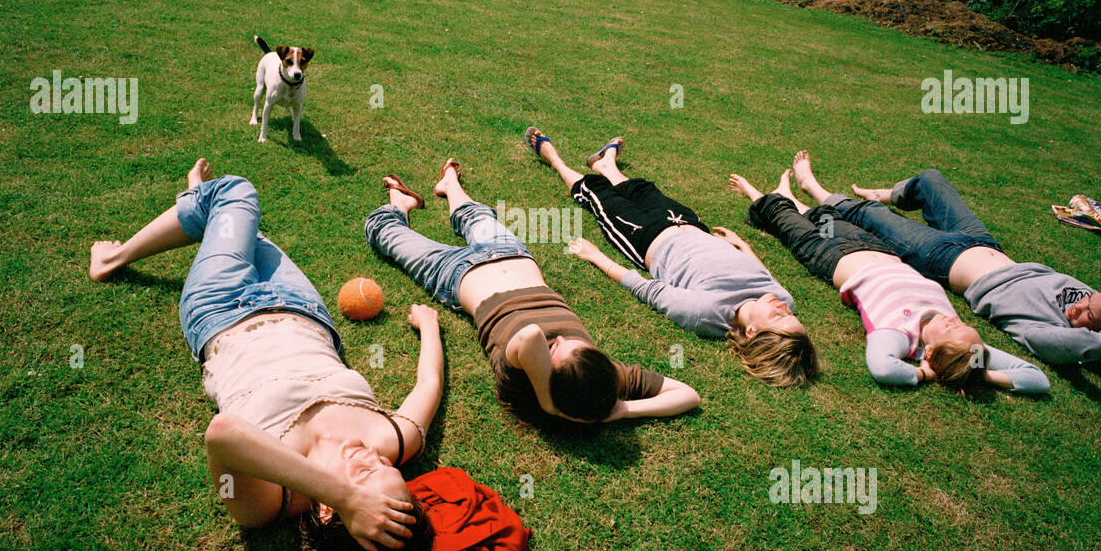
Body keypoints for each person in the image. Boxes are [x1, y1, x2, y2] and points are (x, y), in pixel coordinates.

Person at [89, 158, 442, 551]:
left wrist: (344, 493)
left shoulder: (269, 503)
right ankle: (199, 205)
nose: (376, 458)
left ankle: (116, 256)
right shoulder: (392, 442)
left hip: (221, 310)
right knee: (239, 223)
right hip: (301, 306)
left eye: (367, 475)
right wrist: (430, 328)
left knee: (237, 194)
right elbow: (429, 384)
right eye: (392, 469)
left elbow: (222, 435)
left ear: (332, 510)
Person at [364, 157, 701, 426]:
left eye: (558, 349)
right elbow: (687, 394)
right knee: (475, 214)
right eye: (579, 346)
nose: (565, 339)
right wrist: (624, 410)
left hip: (453, 273)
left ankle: (403, 202)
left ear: (549, 379)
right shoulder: (599, 375)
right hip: (512, 253)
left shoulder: (522, 378)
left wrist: (548, 403)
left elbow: (529, 335)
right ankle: (450, 186)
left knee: (382, 231)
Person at [730, 154, 1050, 395]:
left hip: (829, 257)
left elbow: (883, 368)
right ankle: (788, 190)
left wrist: (928, 373)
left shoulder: (900, 337)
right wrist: (978, 371)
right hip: (875, 249)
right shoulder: (967, 350)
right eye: (963, 326)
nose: (958, 321)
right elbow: (1036, 378)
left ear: (933, 353)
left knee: (786, 220)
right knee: (824, 216)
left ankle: (755, 193)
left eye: (953, 329)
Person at [523, 128, 817, 387]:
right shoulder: (783, 298)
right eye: (791, 315)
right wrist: (743, 247)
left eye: (779, 317)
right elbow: (762, 272)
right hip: (687, 223)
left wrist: (596, 256)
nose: (783, 307)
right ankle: (606, 164)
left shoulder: (704, 312)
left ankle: (553, 157)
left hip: (645, 238)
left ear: (751, 332)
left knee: (599, 196)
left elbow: (646, 289)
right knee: (643, 190)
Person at [813, 164, 1101, 366]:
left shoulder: (1047, 331)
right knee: (930, 179)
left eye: (1088, 317)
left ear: (1100, 335)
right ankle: (889, 193)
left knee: (871, 217)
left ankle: (814, 190)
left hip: (943, 258)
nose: (1080, 306)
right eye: (1090, 300)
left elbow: (1066, 346)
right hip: (983, 242)